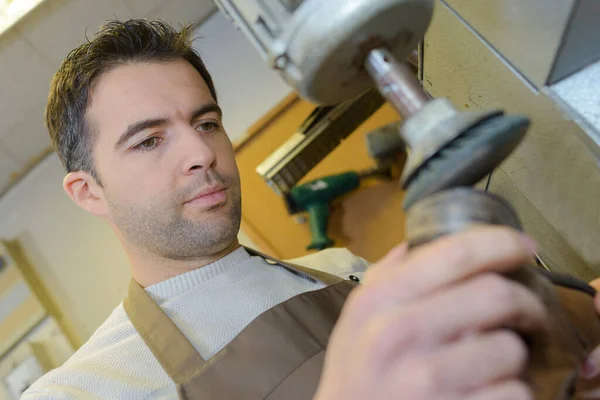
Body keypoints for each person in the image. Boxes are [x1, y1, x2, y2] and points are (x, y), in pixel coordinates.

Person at [22, 19, 600, 400]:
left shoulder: (340, 265)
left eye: (206, 123)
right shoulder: (83, 390)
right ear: (88, 192)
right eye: (149, 141)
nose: (201, 153)